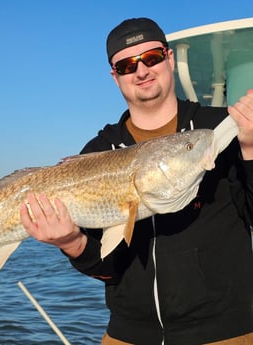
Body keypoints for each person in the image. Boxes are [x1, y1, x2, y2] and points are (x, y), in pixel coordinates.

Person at [20, 17, 253, 345]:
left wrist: (250, 148)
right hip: (127, 336)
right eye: (128, 65)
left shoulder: (218, 130)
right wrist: (71, 243)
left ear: (169, 59)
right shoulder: (97, 152)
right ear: (115, 78)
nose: (142, 71)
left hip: (226, 334)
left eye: (152, 58)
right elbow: (107, 269)